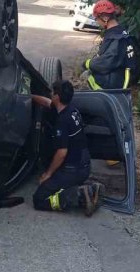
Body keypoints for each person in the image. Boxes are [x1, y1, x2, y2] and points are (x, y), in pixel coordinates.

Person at [30, 80, 102, 215]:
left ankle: (78, 195)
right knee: (55, 183)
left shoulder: (62, 121)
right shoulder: (72, 110)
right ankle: (92, 189)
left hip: (72, 170)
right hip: (84, 166)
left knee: (39, 199)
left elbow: (62, 152)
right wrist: (29, 97)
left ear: (57, 97)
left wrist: (48, 174)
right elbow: (47, 102)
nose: (51, 94)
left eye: (52, 92)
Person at [84, 0, 138, 91]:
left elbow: (107, 62)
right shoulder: (120, 31)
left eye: (97, 18)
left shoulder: (117, 39)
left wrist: (88, 63)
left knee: (87, 77)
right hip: (119, 79)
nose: (97, 21)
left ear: (105, 18)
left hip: (113, 86)